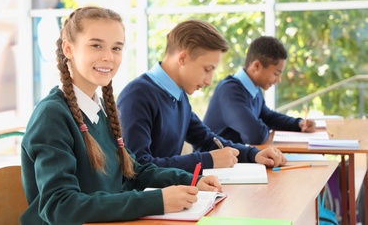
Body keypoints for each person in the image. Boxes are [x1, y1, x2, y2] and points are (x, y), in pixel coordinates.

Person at [20, 7, 223, 225]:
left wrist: (192, 181)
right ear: (68, 49)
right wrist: (157, 200)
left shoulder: (98, 111)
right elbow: (60, 206)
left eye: (116, 48)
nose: (108, 57)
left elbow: (133, 171)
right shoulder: (52, 116)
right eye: (96, 45)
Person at [116, 19, 287, 174]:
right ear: (182, 58)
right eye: (207, 69)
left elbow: (208, 141)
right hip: (152, 203)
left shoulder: (179, 95)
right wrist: (208, 160)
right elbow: (138, 167)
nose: (209, 81)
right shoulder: (137, 96)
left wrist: (254, 154)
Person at [203, 36, 316, 145]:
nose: (278, 80)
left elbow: (268, 117)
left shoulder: (254, 89)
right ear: (256, 66)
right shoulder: (229, 91)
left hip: (234, 159)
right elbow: (254, 135)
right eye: (276, 73)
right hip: (215, 162)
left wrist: (298, 124)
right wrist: (262, 127)